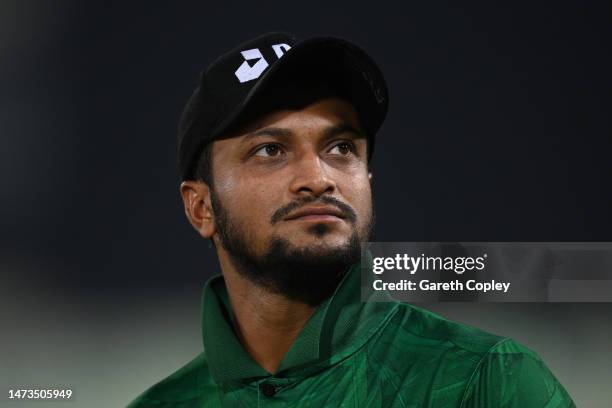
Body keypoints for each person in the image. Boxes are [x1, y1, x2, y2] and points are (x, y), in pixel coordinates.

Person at [128, 32, 575, 407]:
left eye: (340, 147)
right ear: (200, 208)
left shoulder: (489, 381)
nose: (318, 179)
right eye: (270, 150)